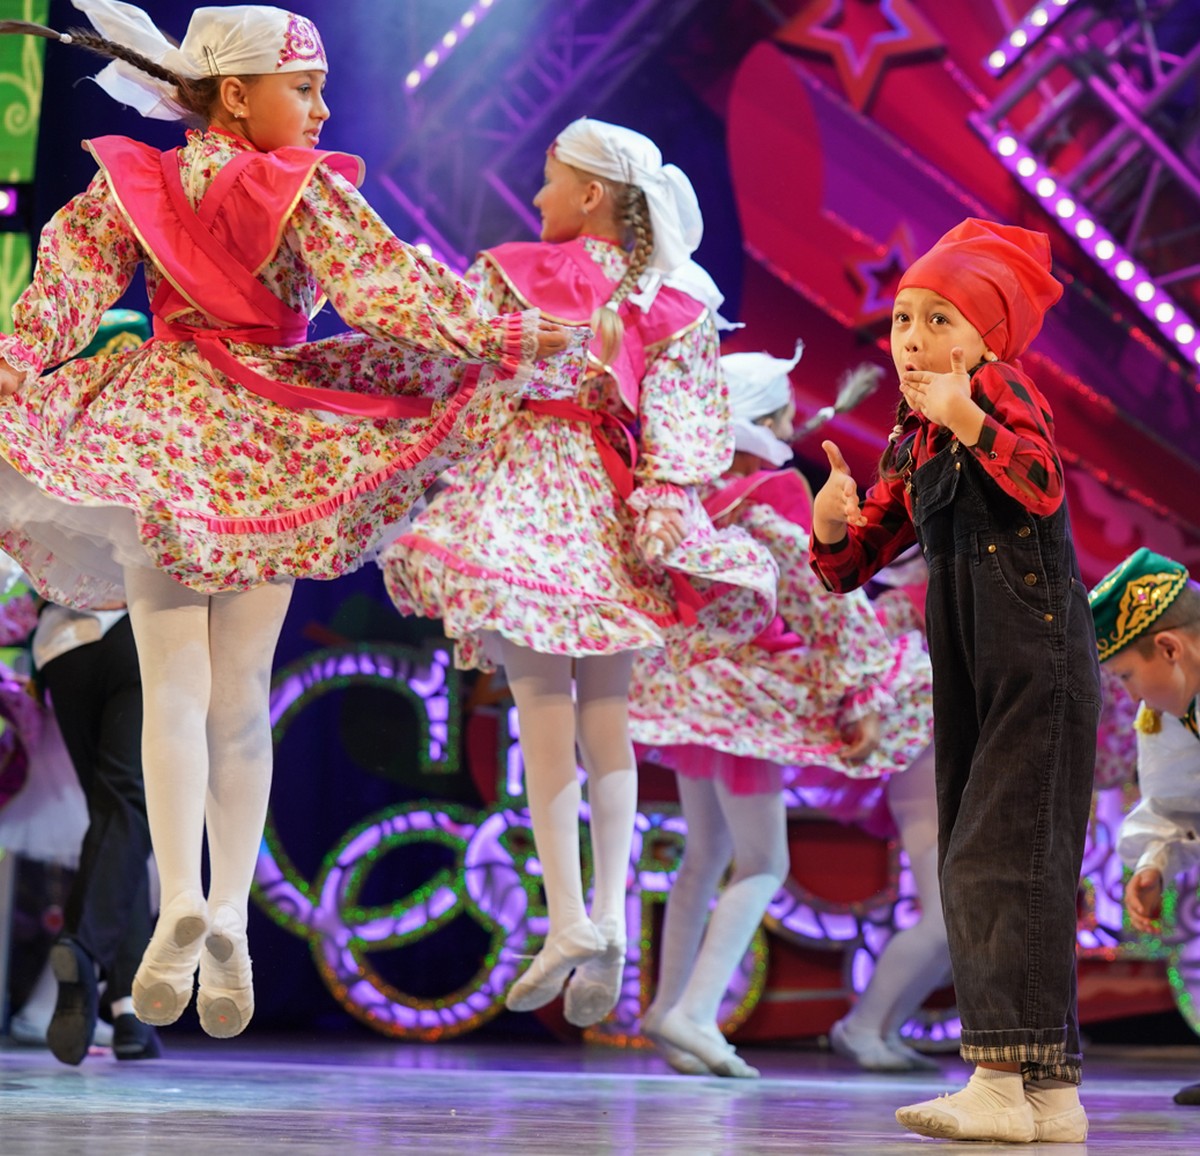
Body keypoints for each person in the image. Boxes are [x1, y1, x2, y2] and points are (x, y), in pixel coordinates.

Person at [0, 2, 577, 1040]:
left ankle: (180, 902)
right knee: (240, 697)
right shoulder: (300, 187)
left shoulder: (132, 182)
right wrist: (508, 333)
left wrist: (14, 372)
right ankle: (228, 909)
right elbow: (392, 292)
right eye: (303, 89)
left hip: (160, 423)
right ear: (236, 92)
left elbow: (58, 297)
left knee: (172, 688)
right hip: (267, 434)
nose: (320, 109)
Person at [379, 117, 777, 1028]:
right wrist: (665, 509)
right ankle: (610, 923)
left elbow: (455, 359)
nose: (538, 195)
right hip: (610, 504)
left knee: (542, 711)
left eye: (551, 178)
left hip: (528, 489)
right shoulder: (669, 298)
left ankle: (568, 918)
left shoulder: (520, 271)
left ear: (592, 194)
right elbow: (683, 430)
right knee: (608, 723)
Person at [810, 218, 1100, 1144]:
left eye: (940, 320)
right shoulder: (914, 437)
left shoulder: (998, 392)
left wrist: (968, 417)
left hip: (1036, 659)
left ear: (985, 338)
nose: (913, 338)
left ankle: (997, 1079)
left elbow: (1041, 483)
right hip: (975, 667)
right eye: (903, 319)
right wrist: (830, 525)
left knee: (990, 859)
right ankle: (1049, 1093)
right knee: (1026, 865)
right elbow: (854, 565)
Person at [628, 346, 942, 1077]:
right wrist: (860, 691)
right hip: (747, 697)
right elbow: (818, 598)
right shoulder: (773, 492)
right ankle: (693, 1012)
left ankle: (668, 1008)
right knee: (764, 861)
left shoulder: (691, 492)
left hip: (690, 687)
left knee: (706, 854)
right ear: (767, 423)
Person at [1088, 546, 1200, 1108]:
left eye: (1128, 676)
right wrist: (1154, 862)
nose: (1131, 695)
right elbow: (1174, 805)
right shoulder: (1166, 714)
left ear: (1170, 648)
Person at [35, 602, 160, 1064]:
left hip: (65, 645)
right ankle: (84, 946)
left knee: (113, 820)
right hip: (140, 631)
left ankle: (131, 1011)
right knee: (128, 807)